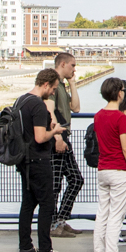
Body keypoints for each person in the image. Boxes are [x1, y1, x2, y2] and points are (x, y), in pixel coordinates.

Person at [16, 68, 71, 252]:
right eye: (54, 88)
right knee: (47, 203)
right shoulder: (38, 106)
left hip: (24, 160)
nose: (54, 93)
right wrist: (54, 131)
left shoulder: (21, 101)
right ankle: (45, 249)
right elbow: (40, 137)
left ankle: (25, 245)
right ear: (46, 84)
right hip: (39, 159)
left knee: (28, 203)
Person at [91, 77, 126, 252]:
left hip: (103, 168)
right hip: (119, 170)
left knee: (102, 213)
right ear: (119, 93)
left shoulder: (98, 116)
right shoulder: (120, 118)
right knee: (116, 217)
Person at [49, 52, 85, 238]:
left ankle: (60, 220)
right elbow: (49, 111)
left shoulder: (62, 85)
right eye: (72, 65)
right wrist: (57, 138)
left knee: (76, 179)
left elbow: (76, 108)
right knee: (55, 184)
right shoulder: (52, 84)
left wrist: (72, 83)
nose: (74, 68)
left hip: (64, 137)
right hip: (57, 139)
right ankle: (54, 224)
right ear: (62, 64)